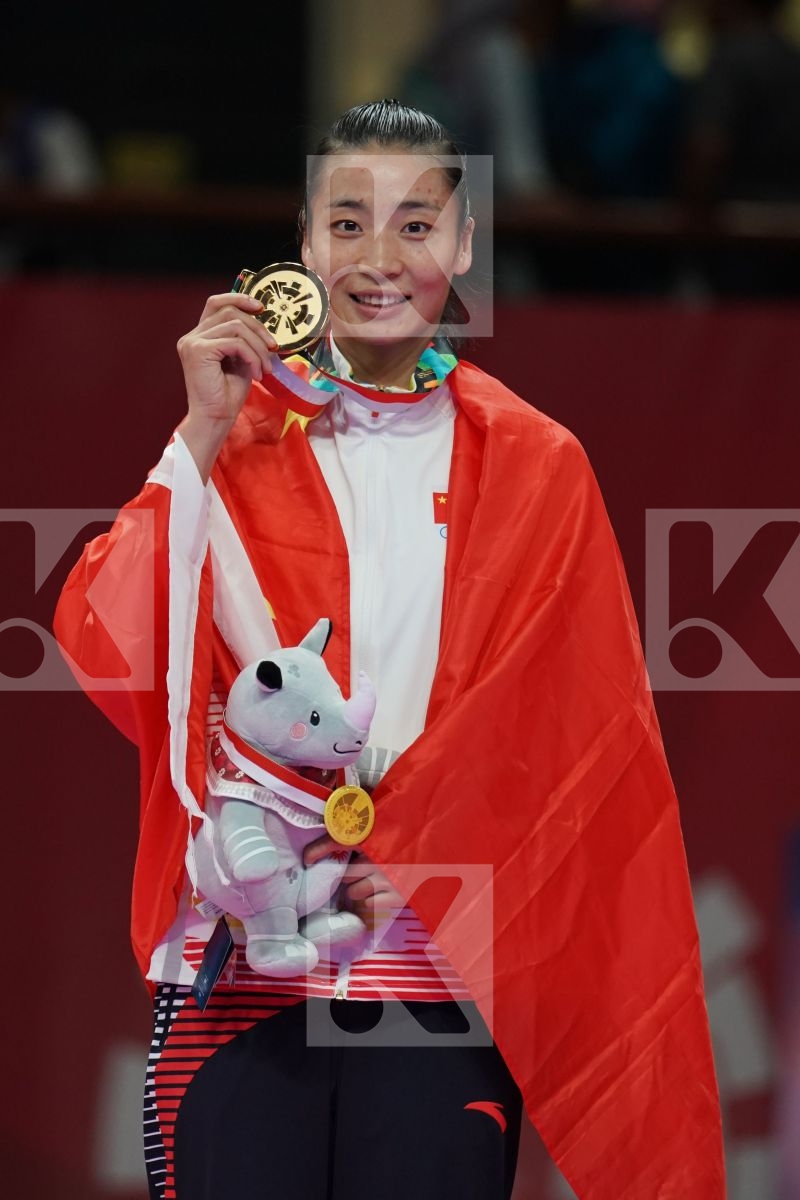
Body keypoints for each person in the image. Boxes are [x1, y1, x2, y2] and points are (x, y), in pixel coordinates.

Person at [54, 100, 725, 1199]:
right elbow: (104, 636)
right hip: (247, 954)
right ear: (303, 246)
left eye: (416, 225)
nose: (379, 257)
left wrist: (421, 839)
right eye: (346, 223)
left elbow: (576, 741)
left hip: (437, 961)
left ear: (464, 247)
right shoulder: (229, 438)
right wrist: (198, 433)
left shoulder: (536, 463)